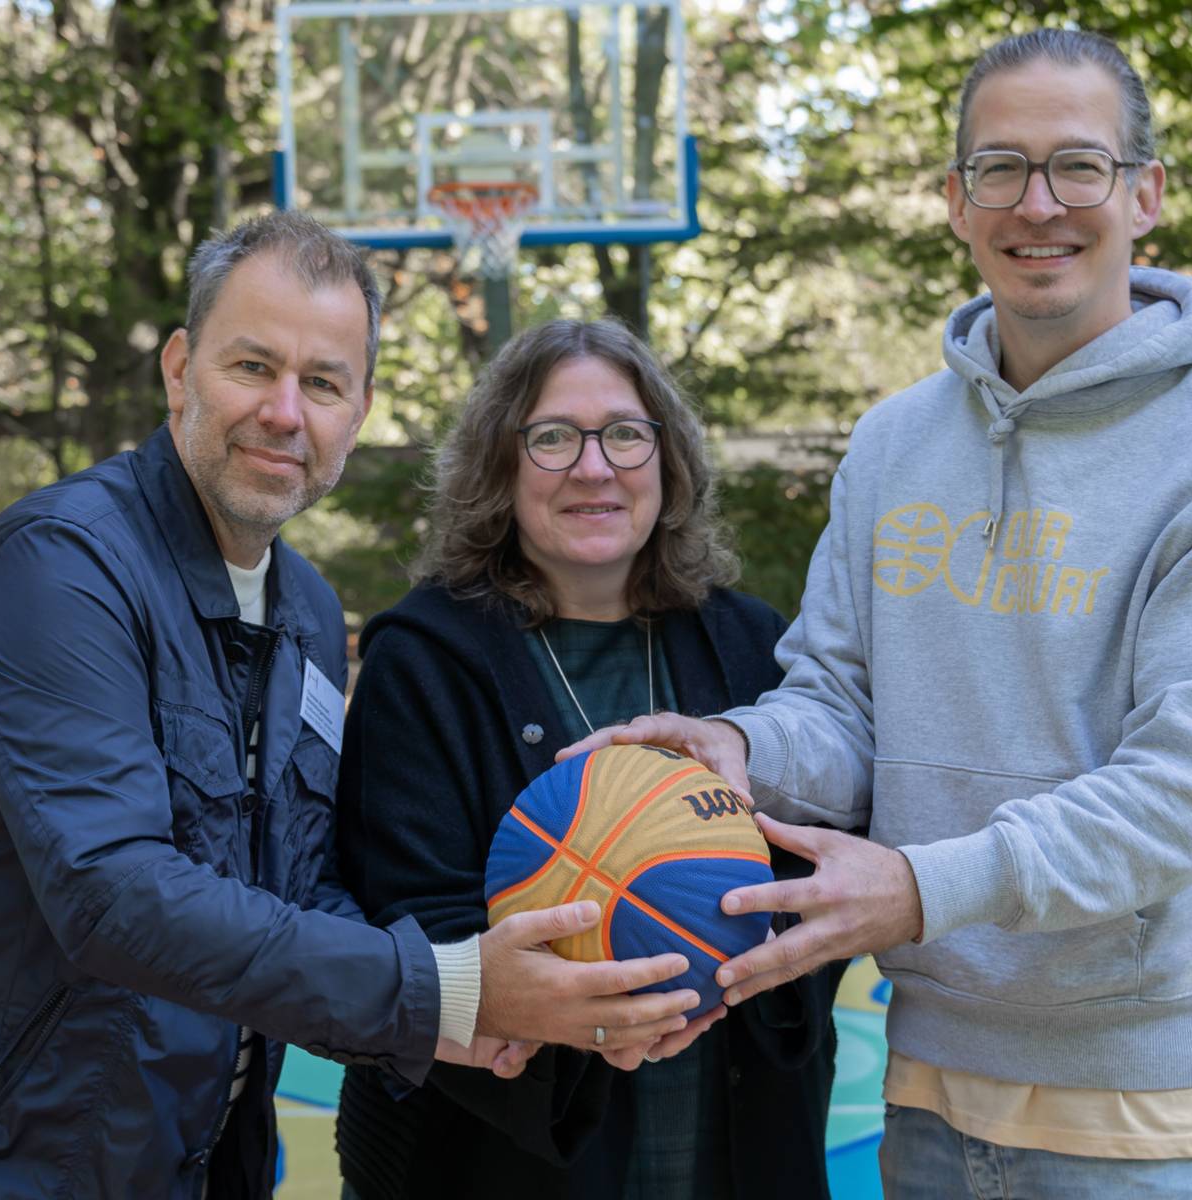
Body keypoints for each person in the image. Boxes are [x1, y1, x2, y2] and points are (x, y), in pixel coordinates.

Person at [568, 29, 1192, 1199]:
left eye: (1077, 166)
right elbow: (836, 704)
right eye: (999, 169)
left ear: (1144, 194)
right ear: (954, 200)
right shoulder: (892, 446)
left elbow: (1186, 792)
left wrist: (918, 890)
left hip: (1138, 1108)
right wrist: (741, 747)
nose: (1038, 204)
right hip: (926, 1084)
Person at [0, 214, 705, 1199]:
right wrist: (439, 989)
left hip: (192, 1161)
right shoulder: (59, 571)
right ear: (180, 368)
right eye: (252, 367)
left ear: (356, 413)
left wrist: (470, 1002)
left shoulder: (307, 612)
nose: (286, 411)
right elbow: (111, 891)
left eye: (323, 383)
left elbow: (287, 881)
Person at [332, 319, 841, 1200]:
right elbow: (410, 924)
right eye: (553, 437)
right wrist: (584, 1019)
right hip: (501, 1159)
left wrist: (740, 971)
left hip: (737, 1141)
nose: (594, 467)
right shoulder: (422, 658)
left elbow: (816, 872)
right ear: (502, 465)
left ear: (667, 460)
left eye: (625, 434)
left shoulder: (753, 642)